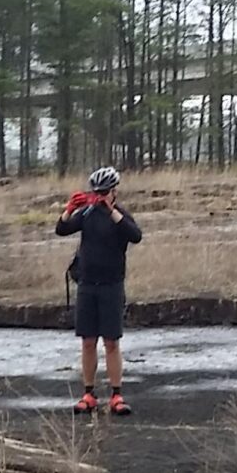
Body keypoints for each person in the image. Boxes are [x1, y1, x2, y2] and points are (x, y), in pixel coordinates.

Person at [56, 164, 143, 415]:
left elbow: (135, 235)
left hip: (112, 286)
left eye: (105, 192)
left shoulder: (120, 216)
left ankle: (116, 394)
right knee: (87, 342)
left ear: (114, 192)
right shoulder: (87, 215)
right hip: (87, 285)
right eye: (97, 192)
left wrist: (111, 210)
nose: (100, 197)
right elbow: (62, 229)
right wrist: (70, 209)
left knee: (112, 342)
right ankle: (88, 392)